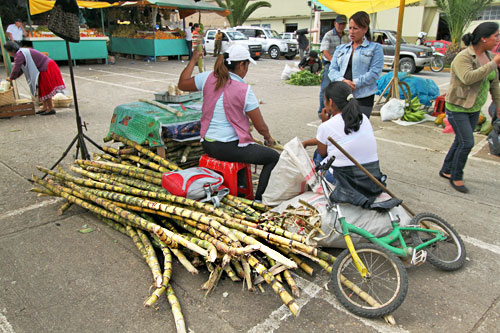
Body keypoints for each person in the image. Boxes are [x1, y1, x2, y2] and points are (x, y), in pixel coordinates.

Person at [177, 45, 279, 201]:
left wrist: (193, 60)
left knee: (246, 149)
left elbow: (182, 83)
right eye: (247, 65)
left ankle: (238, 188)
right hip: (227, 148)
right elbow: (261, 126)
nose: (247, 70)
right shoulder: (244, 90)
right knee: (272, 157)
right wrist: (269, 139)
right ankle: (258, 201)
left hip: (207, 144)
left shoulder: (207, 78)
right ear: (241, 65)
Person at [439, 22, 500, 193]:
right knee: (467, 142)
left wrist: (498, 103)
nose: (497, 39)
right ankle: (456, 176)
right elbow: (467, 78)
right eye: (495, 35)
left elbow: (494, 82)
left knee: (460, 140)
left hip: (473, 108)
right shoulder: (464, 57)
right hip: (457, 107)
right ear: (484, 38)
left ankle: (446, 169)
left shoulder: (488, 56)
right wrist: (493, 64)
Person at [303, 81, 383, 208]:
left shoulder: (326, 126)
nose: (324, 103)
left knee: (318, 154)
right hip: (371, 176)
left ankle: (319, 185)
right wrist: (307, 142)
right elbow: (341, 138)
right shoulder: (363, 118)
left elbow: (322, 151)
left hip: (346, 181)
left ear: (331, 102)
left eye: (324, 100)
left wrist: (324, 123)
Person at [328, 11, 384, 118]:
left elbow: (374, 73)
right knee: (339, 129)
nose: (351, 32)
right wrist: (343, 81)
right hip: (341, 94)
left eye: (356, 28)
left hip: (363, 96)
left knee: (357, 129)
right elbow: (332, 70)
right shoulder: (341, 49)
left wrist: (354, 84)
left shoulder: (375, 48)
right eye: (350, 28)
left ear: (365, 29)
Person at [4, 41, 65, 116]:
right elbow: (21, 70)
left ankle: (51, 108)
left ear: (12, 51)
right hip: (44, 67)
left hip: (47, 67)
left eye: (8, 52)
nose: (8, 54)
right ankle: (45, 107)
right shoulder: (21, 52)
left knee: (46, 88)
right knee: (41, 88)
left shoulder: (19, 55)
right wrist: (13, 77)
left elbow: (16, 68)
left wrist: (11, 77)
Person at [318, 14, 349, 117]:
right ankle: (322, 111)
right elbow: (325, 51)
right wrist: (333, 61)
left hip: (342, 67)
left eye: (343, 24)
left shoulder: (346, 36)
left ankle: (336, 111)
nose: (341, 26)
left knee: (339, 89)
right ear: (335, 23)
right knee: (325, 88)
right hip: (329, 65)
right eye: (339, 24)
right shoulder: (329, 35)